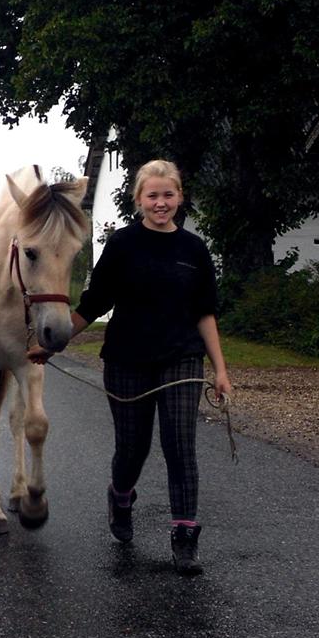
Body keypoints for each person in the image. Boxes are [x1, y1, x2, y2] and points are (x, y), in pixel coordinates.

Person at [29, 159, 231, 575]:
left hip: (181, 358)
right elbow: (94, 303)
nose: (161, 203)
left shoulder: (194, 250)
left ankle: (185, 536)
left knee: (180, 445)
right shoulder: (122, 244)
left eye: (168, 195)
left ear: (179, 197)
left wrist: (221, 370)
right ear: (139, 200)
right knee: (132, 448)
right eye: (152, 195)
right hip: (126, 360)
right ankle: (120, 496)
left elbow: (205, 313)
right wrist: (52, 346)